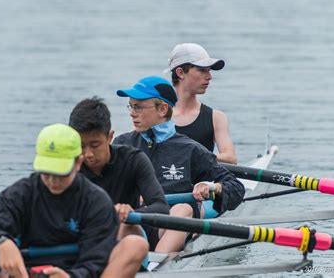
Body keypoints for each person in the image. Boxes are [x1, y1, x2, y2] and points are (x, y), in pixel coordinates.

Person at [0, 123, 147, 278]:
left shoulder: (95, 201)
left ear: (78, 162)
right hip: (24, 274)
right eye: (47, 172)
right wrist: (1, 242)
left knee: (135, 245)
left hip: (73, 273)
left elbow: (97, 260)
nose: (53, 181)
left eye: (60, 173)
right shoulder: (20, 193)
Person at [113, 76, 245, 253]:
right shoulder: (122, 144)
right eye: (131, 105)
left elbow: (236, 187)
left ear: (162, 109)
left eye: (139, 107)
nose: (132, 112)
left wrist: (213, 187)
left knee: (182, 209)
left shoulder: (190, 149)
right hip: (135, 222)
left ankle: (158, 267)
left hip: (171, 225)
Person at [68, 97, 169, 248]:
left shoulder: (133, 160)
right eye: (81, 146)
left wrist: (132, 213)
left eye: (95, 145)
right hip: (87, 237)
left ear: (110, 137)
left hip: (128, 235)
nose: (87, 154)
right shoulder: (67, 166)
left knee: (126, 227)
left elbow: (161, 207)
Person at [164, 43, 237, 164]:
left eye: (209, 70)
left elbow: (230, 159)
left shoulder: (216, 117)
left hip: (203, 182)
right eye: (202, 70)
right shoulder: (155, 115)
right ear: (180, 73)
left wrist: (194, 153)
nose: (209, 76)